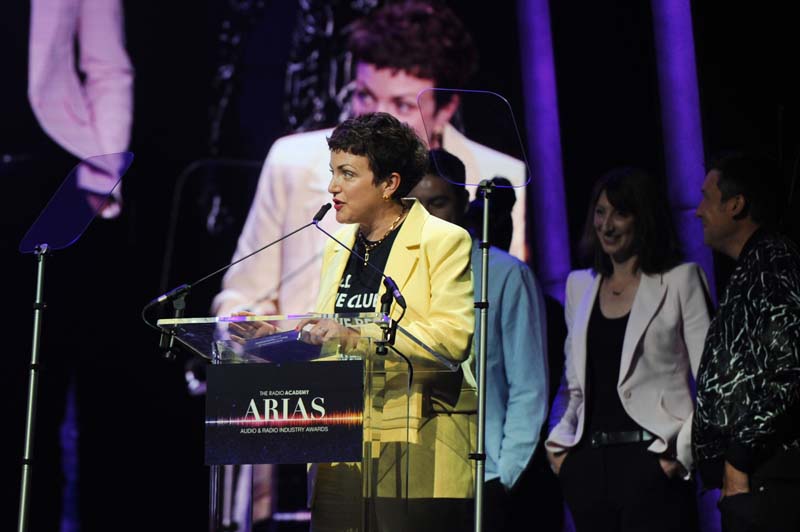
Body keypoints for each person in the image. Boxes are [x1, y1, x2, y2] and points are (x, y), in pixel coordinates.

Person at [211, 4, 523, 525]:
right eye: (363, 96)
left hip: (418, 441)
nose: (377, 118)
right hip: (326, 433)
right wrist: (262, 333)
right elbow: (255, 300)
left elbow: (459, 340)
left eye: (400, 103)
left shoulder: (475, 199)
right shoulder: (326, 217)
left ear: (445, 109)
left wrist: (357, 338)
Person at [233, 112, 474, 532]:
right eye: (332, 172)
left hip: (413, 448)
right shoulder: (338, 244)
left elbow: (450, 343)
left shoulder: (442, 240)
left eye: (347, 174)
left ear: (389, 184)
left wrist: (357, 337)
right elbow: (329, 339)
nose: (332, 187)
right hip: (338, 444)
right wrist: (278, 341)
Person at [545, 167, 712, 532]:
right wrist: (560, 451)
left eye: (620, 213)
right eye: (600, 212)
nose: (606, 225)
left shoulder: (681, 280)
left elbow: (712, 385)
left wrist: (678, 457)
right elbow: (573, 385)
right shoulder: (579, 286)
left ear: (643, 218)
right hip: (588, 468)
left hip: (654, 461)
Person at [410, 149, 560, 531]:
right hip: (409, 480)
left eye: (438, 203)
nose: (427, 217)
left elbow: (528, 386)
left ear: (463, 203)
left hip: (481, 480)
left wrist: (504, 474)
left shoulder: (505, 275)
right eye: (417, 205)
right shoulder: (396, 278)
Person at [692, 153, 800, 532]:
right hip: (754, 478)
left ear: (735, 205)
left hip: (768, 478)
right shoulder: (754, 266)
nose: (698, 211)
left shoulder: (773, 262)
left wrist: (739, 458)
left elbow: (789, 370)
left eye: (707, 198)